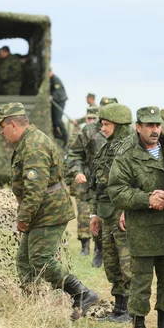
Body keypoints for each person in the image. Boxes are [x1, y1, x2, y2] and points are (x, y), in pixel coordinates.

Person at [0, 102, 99, 321]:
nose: (2, 133)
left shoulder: (33, 145)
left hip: (48, 211)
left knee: (41, 260)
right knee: (25, 260)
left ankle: (81, 293)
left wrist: (23, 218)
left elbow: (35, 189)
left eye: (2, 127)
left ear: (13, 124)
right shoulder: (27, 142)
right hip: (41, 210)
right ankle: (32, 306)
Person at [108, 106, 164, 328]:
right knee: (140, 282)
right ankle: (138, 327)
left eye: (157, 125)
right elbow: (117, 191)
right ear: (138, 127)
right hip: (142, 229)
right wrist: (147, 198)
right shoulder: (127, 154)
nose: (154, 130)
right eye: (149, 125)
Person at [89, 103, 133, 323]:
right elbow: (98, 184)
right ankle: (119, 309)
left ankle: (132, 311)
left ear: (119, 124)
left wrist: (127, 209)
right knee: (111, 262)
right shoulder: (107, 148)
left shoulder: (131, 148)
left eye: (106, 124)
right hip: (107, 213)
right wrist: (94, 213)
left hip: (123, 213)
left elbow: (136, 182)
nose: (102, 129)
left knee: (127, 263)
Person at [65, 98, 117, 267]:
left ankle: (111, 251)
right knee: (92, 216)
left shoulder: (127, 132)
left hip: (117, 183)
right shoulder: (89, 131)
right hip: (93, 183)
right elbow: (74, 154)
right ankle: (97, 249)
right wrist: (77, 171)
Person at [67, 105, 100, 257]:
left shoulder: (103, 136)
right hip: (83, 184)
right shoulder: (78, 137)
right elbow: (70, 160)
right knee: (83, 214)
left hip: (99, 184)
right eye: (88, 119)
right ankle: (85, 246)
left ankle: (99, 248)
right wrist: (71, 179)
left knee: (99, 215)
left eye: (94, 118)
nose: (91, 121)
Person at [49, 70, 69, 148]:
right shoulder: (50, 80)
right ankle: (56, 135)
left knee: (58, 120)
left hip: (60, 101)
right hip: (55, 101)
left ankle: (65, 136)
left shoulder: (55, 79)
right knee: (54, 120)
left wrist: (52, 96)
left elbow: (58, 92)